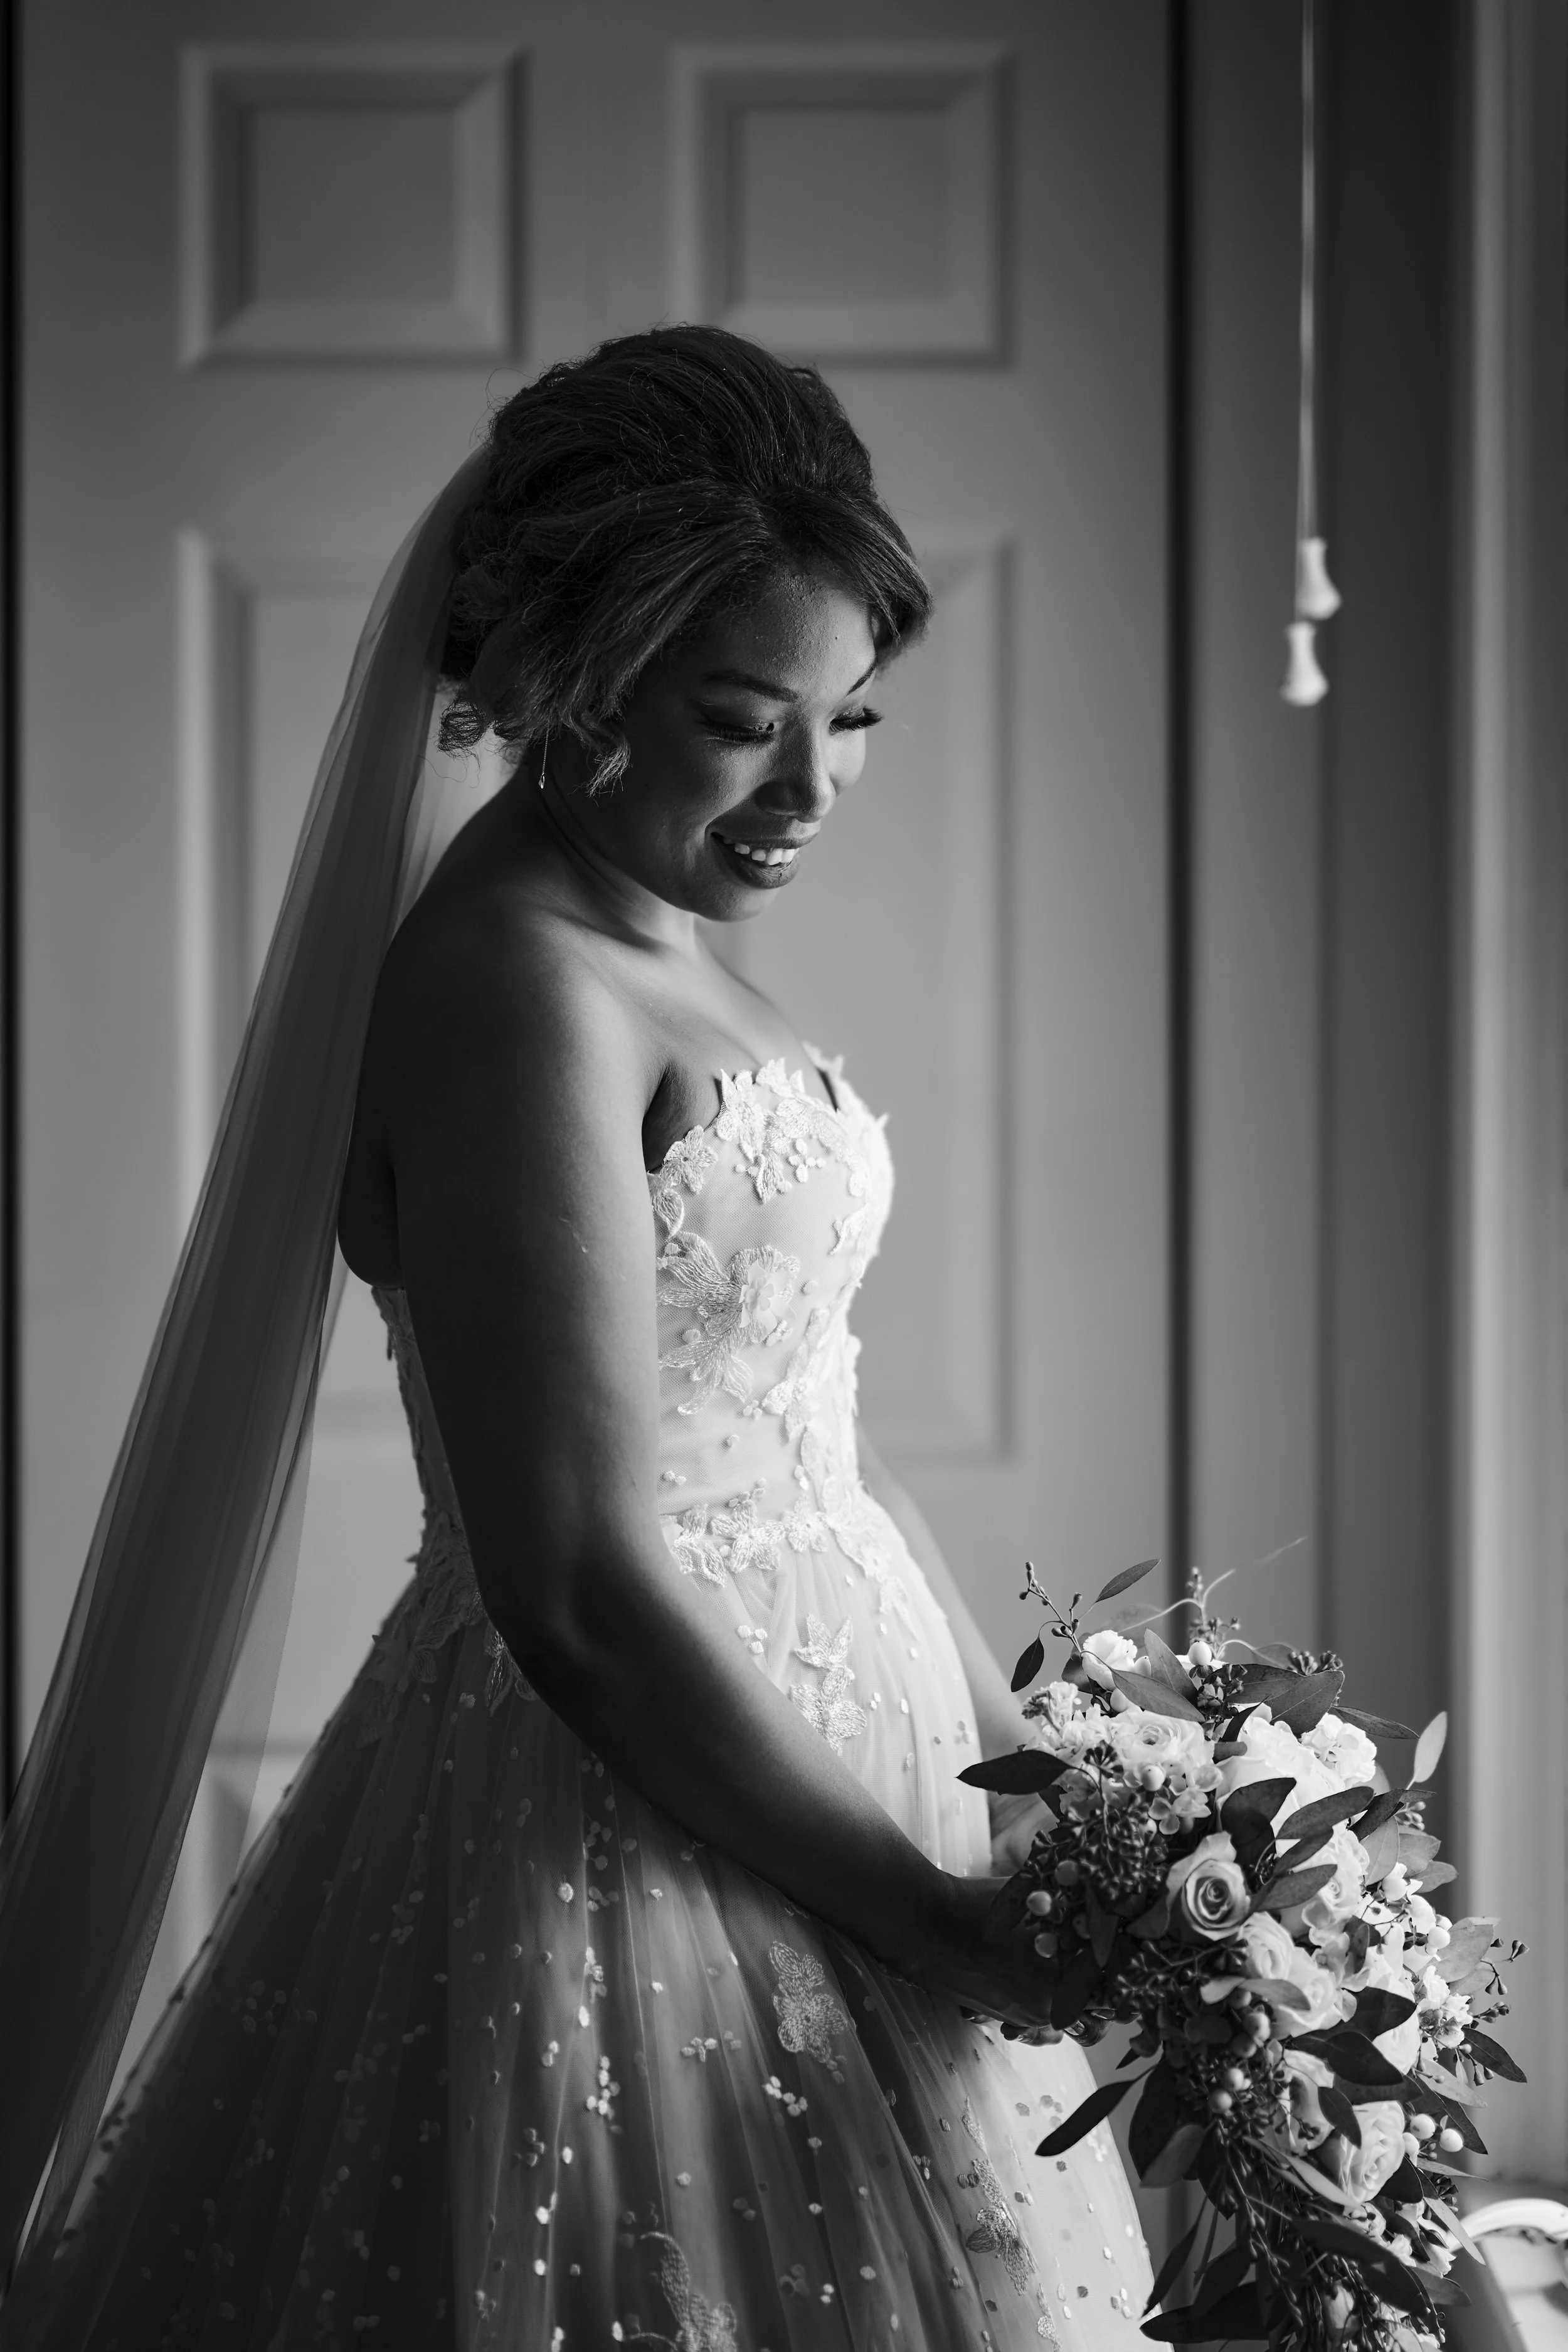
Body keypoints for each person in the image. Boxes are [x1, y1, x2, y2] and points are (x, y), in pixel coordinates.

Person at [3, 328, 1151, 2349]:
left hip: (845, 1771)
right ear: (567, 685)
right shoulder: (515, 985)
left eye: (852, 718)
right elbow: (577, 1588)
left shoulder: (658, 933)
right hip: (632, 1827)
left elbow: (815, 1437)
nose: (813, 788)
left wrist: (1053, 1770)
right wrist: (919, 1916)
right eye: (742, 720)